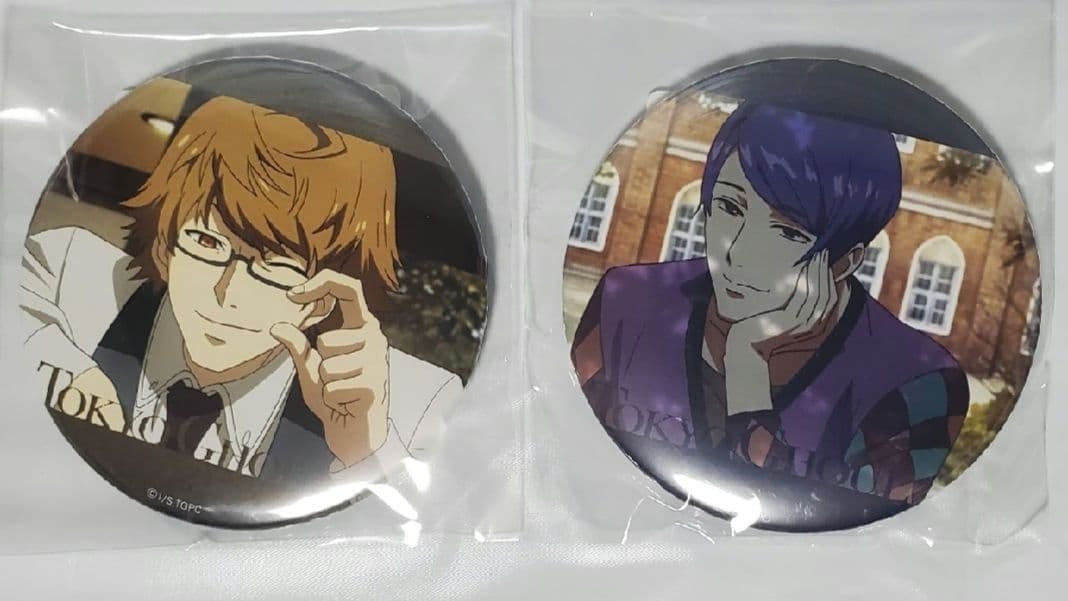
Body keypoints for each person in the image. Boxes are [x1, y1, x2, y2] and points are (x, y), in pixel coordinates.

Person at [22, 94, 461, 482]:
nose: (226, 294)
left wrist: (362, 455)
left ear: (327, 296)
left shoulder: (414, 406)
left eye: (279, 267)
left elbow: (426, 534)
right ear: (166, 243)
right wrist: (61, 368)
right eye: (206, 242)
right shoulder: (65, 272)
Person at [572, 102, 969, 506]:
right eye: (730, 208)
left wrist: (748, 373)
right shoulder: (627, 304)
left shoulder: (918, 384)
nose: (739, 252)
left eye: (788, 232)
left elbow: (856, 535)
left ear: (845, 262)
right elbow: (566, 458)